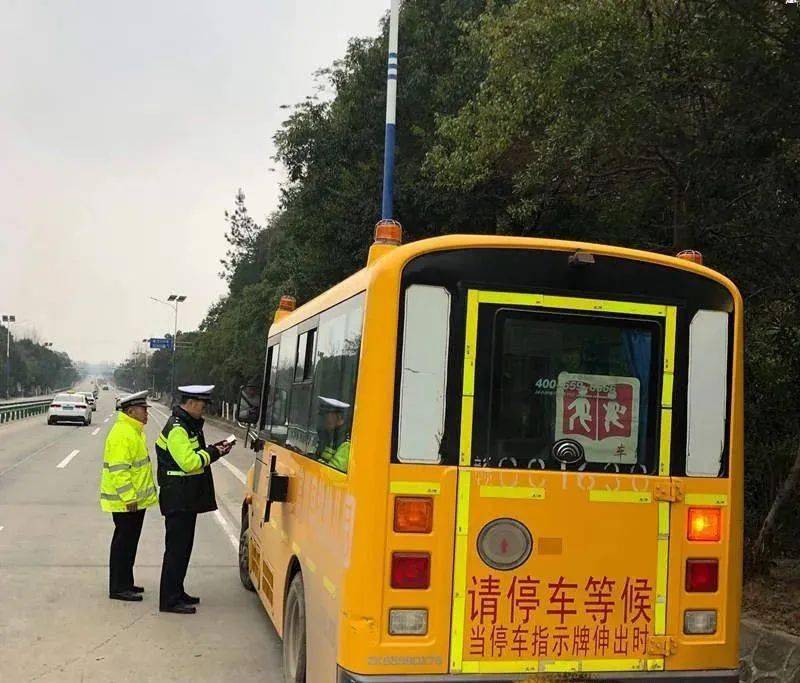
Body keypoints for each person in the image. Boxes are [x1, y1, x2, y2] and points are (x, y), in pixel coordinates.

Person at [156, 385, 232, 614]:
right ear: (190, 403)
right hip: (177, 496)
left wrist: (214, 451)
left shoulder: (188, 425)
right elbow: (188, 463)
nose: (203, 410)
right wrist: (214, 452)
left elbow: (198, 456)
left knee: (183, 549)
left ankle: (177, 591)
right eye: (201, 406)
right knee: (176, 550)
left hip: (185, 496)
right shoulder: (178, 428)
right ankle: (169, 600)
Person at [100, 390, 158, 602]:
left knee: (129, 543)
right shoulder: (122, 434)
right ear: (131, 411)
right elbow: (119, 470)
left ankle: (126, 581)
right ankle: (118, 587)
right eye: (143, 410)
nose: (146, 414)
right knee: (123, 544)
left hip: (135, 501)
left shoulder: (134, 431)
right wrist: (129, 497)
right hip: (126, 502)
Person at [316, 396, 351, 472]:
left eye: (327, 414)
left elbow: (334, 473)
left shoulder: (346, 444)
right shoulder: (330, 436)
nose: (324, 419)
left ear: (339, 417)